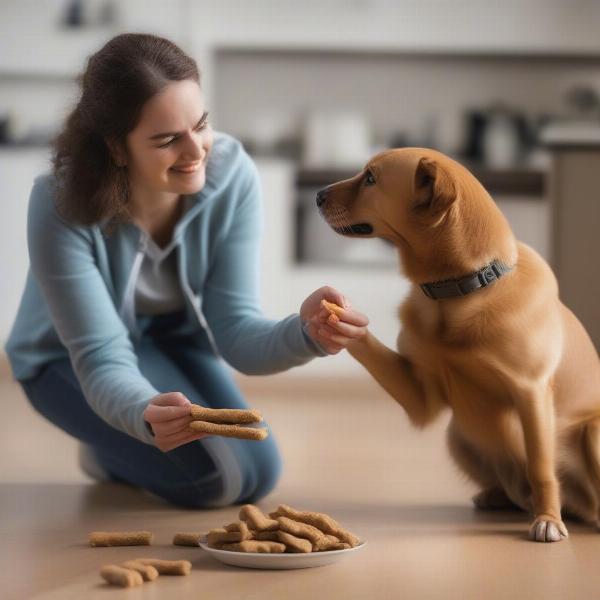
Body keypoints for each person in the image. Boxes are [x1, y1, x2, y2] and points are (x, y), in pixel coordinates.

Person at [4, 33, 368, 508]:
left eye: (201, 125)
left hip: (166, 338)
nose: (196, 151)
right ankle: (107, 453)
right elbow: (101, 357)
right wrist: (139, 412)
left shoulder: (231, 176)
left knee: (260, 473)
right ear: (117, 148)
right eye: (167, 140)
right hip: (62, 360)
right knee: (214, 481)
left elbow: (235, 330)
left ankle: (113, 445)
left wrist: (307, 333)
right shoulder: (57, 203)